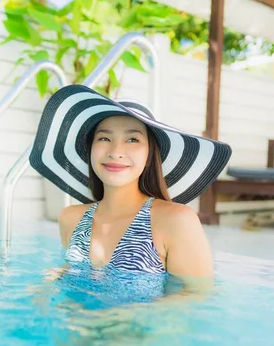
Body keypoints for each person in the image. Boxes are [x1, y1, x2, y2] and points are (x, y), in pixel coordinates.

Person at [29, 84, 233, 292]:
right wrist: (51, 280)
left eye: (132, 139)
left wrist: (122, 319)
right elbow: (75, 273)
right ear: (90, 150)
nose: (116, 151)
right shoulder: (70, 218)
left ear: (148, 157)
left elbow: (195, 296)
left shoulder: (176, 220)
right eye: (104, 138)